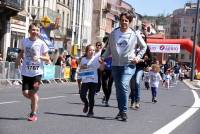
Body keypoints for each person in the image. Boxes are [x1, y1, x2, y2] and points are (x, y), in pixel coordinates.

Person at [100, 11, 147, 121]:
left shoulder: (134, 34)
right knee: (118, 89)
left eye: (126, 20)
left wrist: (137, 57)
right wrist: (103, 57)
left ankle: (124, 112)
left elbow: (144, 47)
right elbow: (109, 49)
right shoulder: (114, 33)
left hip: (129, 65)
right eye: (122, 20)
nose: (124, 22)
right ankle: (121, 111)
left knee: (123, 85)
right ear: (119, 21)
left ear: (129, 22)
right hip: (116, 65)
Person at [15, 23, 50, 122]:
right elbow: (21, 52)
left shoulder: (41, 43)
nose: (35, 32)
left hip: (37, 73)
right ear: (29, 31)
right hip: (26, 71)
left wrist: (39, 57)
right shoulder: (24, 41)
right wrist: (18, 59)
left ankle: (33, 113)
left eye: (37, 30)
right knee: (25, 93)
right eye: (33, 30)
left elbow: (47, 58)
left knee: (33, 92)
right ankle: (34, 100)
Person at [129, 35, 152, 110]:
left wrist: (147, 61)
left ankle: (137, 101)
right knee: (132, 85)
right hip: (132, 66)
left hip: (140, 67)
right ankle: (132, 101)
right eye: (139, 37)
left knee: (137, 82)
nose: (140, 39)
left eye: (142, 38)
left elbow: (150, 58)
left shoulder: (145, 47)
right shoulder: (133, 46)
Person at [79, 44, 102, 117]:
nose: (92, 51)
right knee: (82, 95)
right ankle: (86, 103)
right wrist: (82, 67)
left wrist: (102, 63)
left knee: (91, 96)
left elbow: (101, 69)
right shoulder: (83, 59)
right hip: (85, 80)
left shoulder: (96, 59)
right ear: (86, 51)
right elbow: (80, 69)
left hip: (94, 80)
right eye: (90, 50)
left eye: (93, 50)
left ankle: (91, 111)